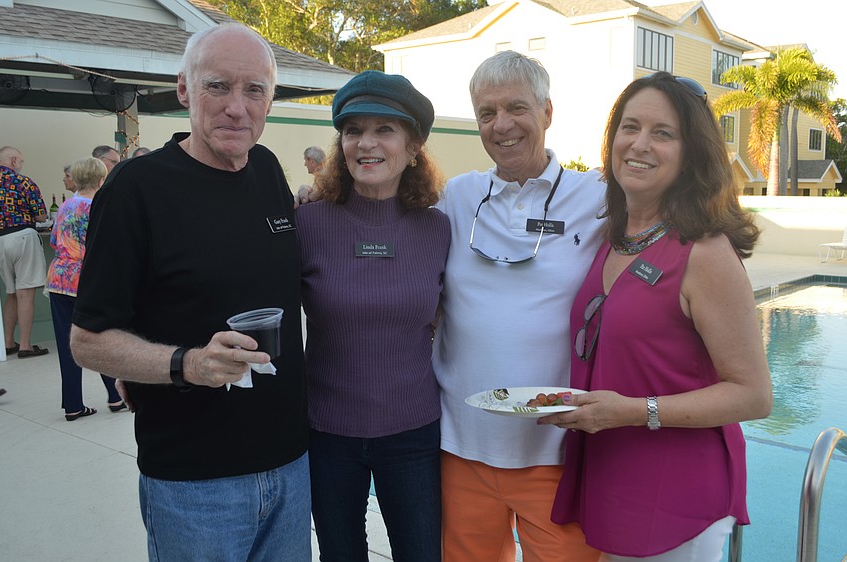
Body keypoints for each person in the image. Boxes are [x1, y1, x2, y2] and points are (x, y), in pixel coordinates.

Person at [70, 23, 311, 561]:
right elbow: (88, 340)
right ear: (184, 89)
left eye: (254, 90)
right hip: (194, 483)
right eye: (217, 86)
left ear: (270, 99)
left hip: (290, 465)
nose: (236, 108)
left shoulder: (268, 169)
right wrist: (187, 363)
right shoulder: (136, 189)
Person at [538, 72, 773, 561]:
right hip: (614, 477)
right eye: (630, 127)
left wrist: (630, 411)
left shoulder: (705, 253)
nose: (640, 144)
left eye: (662, 133)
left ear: (692, 154)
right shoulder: (612, 239)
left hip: (678, 491)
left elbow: (753, 395)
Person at [433, 51, 605, 561]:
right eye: (487, 113)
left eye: (516, 108)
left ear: (547, 112)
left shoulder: (597, 197)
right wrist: (318, 197)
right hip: (460, 446)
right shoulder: (456, 196)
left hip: (555, 449)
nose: (501, 125)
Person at [296, 70, 450, 561]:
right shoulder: (305, 224)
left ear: (414, 145)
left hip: (413, 432)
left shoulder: (439, 229)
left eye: (385, 129)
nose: (366, 143)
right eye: (353, 130)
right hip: (327, 432)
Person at [47, 157, 125, 421]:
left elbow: (54, 241)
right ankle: (115, 396)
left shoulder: (65, 206)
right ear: (101, 179)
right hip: (87, 280)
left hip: (59, 280)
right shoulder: (99, 207)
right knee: (100, 339)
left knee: (67, 344)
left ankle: (73, 404)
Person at [0, 145, 49, 358]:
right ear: (14, 160)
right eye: (21, 160)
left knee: (11, 293)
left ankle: (8, 342)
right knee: (25, 293)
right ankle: (25, 346)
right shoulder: (24, 182)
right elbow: (41, 215)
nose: (21, 164)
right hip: (22, 237)